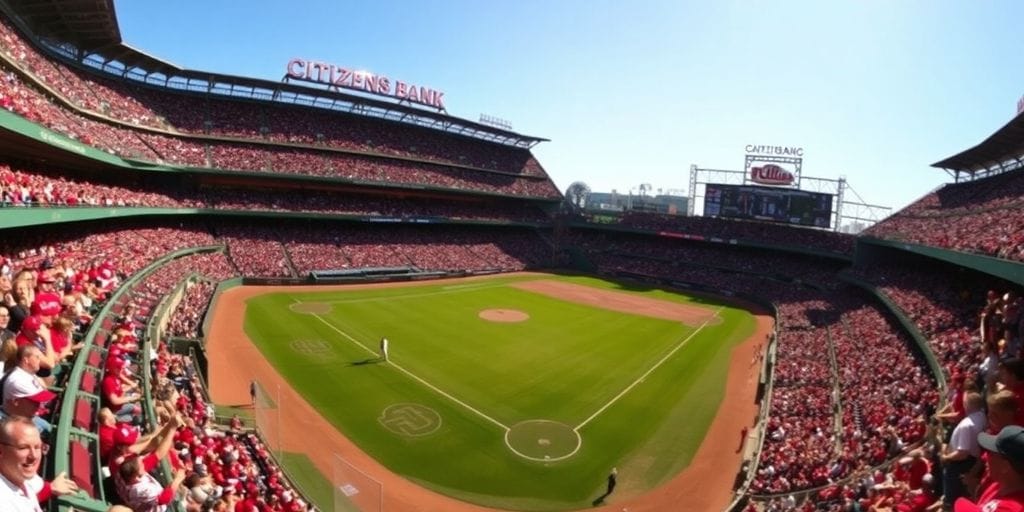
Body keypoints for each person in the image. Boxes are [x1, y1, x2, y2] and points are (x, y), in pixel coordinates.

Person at [954, 425, 1024, 511]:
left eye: (990, 453)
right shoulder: (999, 485)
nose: (985, 457)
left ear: (1005, 467)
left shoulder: (1011, 508)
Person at [942, 392, 987, 508]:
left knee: (953, 499)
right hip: (974, 461)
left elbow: (962, 453)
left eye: (965, 403)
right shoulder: (983, 417)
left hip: (962, 463)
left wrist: (945, 457)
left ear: (968, 405)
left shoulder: (966, 425)